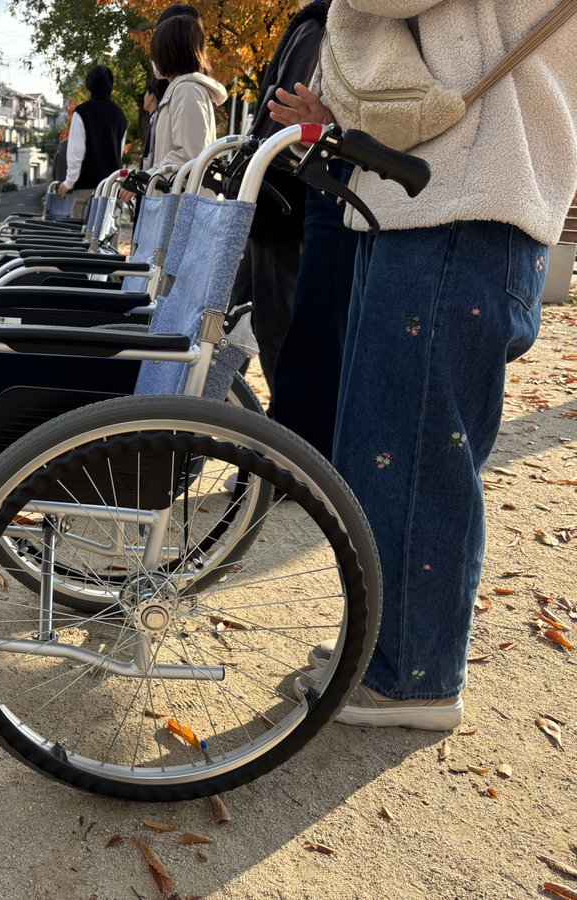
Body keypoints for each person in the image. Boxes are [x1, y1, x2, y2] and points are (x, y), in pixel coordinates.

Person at [269, 0, 577, 730]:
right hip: (444, 192)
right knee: (394, 445)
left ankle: (411, 676)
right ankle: (388, 654)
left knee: (409, 450)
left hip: (462, 197)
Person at [228, 0, 331, 397]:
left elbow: (286, 115)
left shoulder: (316, 27)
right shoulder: (315, 26)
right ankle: (213, 412)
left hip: (281, 199)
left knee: (267, 323)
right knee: (240, 318)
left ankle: (282, 436)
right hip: (278, 197)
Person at [146, 14, 226, 173]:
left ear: (167, 51)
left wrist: (147, 177)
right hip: (173, 194)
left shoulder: (187, 90)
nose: (153, 59)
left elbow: (189, 155)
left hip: (181, 196)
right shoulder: (181, 89)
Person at [57, 65, 128, 219]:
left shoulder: (82, 112)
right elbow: (119, 153)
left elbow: (76, 154)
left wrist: (67, 184)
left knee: (81, 240)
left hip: (86, 191)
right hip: (111, 190)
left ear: (89, 86)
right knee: (107, 239)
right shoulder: (120, 115)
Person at [139, 78, 169, 169]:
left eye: (146, 93)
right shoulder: (155, 118)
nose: (144, 97)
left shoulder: (157, 119)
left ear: (152, 96)